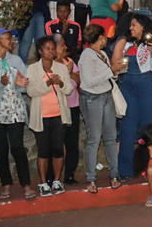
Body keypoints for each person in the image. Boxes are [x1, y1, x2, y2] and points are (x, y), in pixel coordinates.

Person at [112, 14, 152, 181]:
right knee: (127, 129)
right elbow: (121, 67)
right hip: (129, 87)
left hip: (148, 87)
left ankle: (150, 167)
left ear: (143, 26)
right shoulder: (127, 44)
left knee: (148, 129)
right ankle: (125, 170)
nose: (130, 28)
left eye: (134, 25)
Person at [78, 24, 123, 192]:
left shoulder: (102, 54)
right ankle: (91, 179)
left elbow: (106, 78)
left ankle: (114, 175)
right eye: (104, 36)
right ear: (100, 38)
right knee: (94, 139)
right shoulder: (87, 55)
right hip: (92, 98)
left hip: (106, 96)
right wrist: (111, 70)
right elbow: (89, 81)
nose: (106, 39)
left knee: (111, 137)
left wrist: (115, 72)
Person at [27, 36, 74, 197]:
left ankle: (56, 181)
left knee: (58, 149)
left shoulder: (61, 68)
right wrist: (47, 84)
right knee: (43, 150)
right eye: (48, 48)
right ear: (40, 51)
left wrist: (60, 83)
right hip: (41, 116)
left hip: (58, 116)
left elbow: (69, 90)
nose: (51, 51)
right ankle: (43, 183)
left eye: (53, 48)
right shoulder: (33, 69)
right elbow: (30, 91)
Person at [0, 28, 34, 201]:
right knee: (1, 149)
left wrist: (21, 83)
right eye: (8, 39)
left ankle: (26, 184)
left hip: (15, 111)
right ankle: (6, 184)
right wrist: (0, 82)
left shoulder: (16, 60)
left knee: (18, 148)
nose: (12, 42)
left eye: (11, 39)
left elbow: (23, 86)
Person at [53, 35, 81, 185]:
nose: (65, 48)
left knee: (72, 143)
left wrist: (70, 73)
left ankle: (69, 175)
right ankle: (53, 177)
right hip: (56, 109)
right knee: (56, 144)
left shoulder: (69, 62)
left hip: (73, 106)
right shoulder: (48, 65)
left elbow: (79, 81)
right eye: (62, 45)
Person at [19, 0, 53, 64]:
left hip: (36, 15)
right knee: (29, 41)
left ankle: (41, 63)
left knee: (38, 41)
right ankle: (21, 65)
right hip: (29, 15)